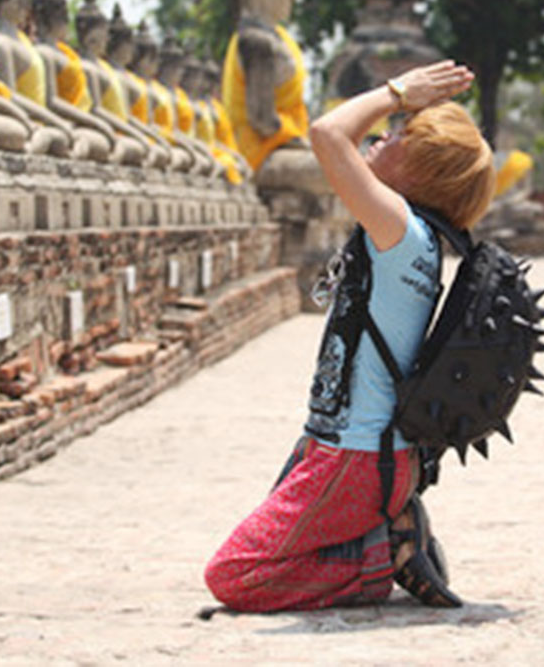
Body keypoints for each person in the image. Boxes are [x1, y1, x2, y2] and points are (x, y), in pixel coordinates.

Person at [204, 60, 496, 612]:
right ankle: (385, 527)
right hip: (347, 449)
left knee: (236, 575)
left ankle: (381, 554)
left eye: (399, 136)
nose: (381, 134)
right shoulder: (408, 235)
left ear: (419, 172)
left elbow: (326, 133)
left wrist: (396, 92)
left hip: (358, 459)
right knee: (273, 553)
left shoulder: (402, 231)